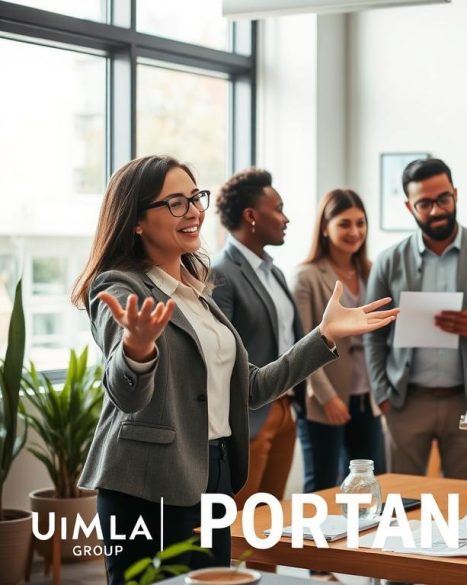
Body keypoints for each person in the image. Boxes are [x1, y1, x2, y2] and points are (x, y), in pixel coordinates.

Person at [71, 155, 398, 585]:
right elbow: (127, 395)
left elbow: (252, 387)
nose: (193, 212)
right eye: (175, 203)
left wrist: (324, 335)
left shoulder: (196, 292)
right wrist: (136, 348)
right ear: (136, 221)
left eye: (194, 198)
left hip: (215, 470)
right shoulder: (118, 286)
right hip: (149, 482)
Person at [365, 157, 467, 480]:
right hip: (405, 401)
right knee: (403, 501)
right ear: (409, 207)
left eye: (443, 199)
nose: (436, 210)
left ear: (455, 194)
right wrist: (382, 395)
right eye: (424, 204)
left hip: (466, 399)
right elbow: (372, 333)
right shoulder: (389, 261)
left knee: (465, 502)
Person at [210, 167, 303, 508]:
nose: (285, 218)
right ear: (251, 215)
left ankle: (263, 567)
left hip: (285, 410)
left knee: (270, 519)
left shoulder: (274, 271)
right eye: (278, 208)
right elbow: (218, 355)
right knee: (241, 524)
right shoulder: (221, 272)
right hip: (249, 417)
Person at [293, 189, 386, 492]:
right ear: (324, 226)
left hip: (365, 399)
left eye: (361, 223)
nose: (355, 231)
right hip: (325, 400)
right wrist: (327, 397)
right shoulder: (306, 277)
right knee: (321, 488)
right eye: (344, 223)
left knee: (373, 484)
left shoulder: (372, 272)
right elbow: (300, 346)